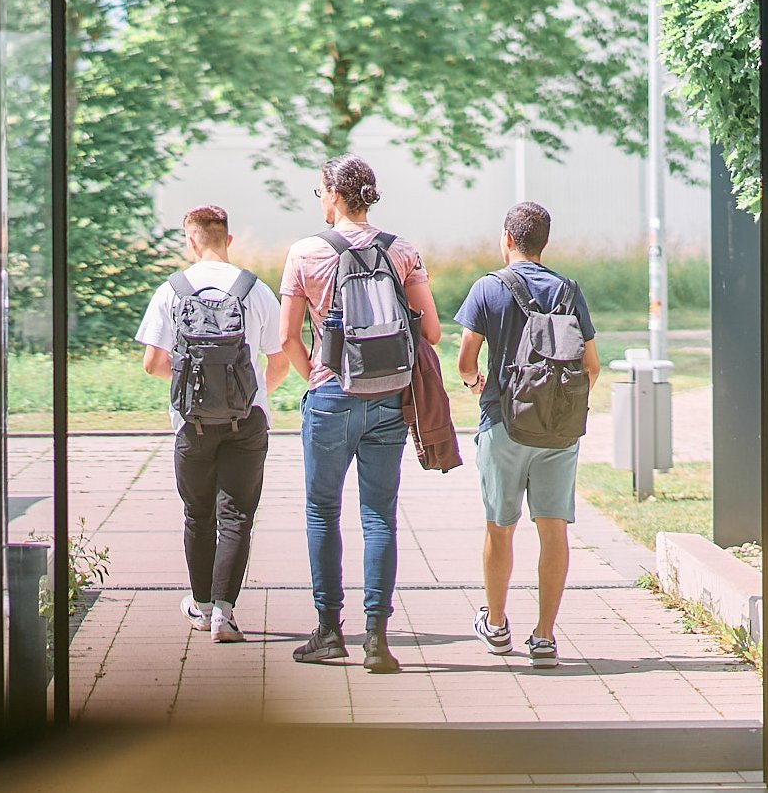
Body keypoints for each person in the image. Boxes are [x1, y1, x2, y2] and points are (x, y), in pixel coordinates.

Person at [278, 155, 442, 674]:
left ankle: (329, 631)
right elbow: (432, 332)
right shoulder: (402, 250)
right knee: (379, 515)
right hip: (390, 397)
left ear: (333, 194)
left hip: (331, 396)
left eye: (319, 191)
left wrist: (317, 378)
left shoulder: (305, 253)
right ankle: (377, 639)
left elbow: (286, 338)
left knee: (322, 510)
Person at [455, 202, 600, 668]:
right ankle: (544, 638)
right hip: (559, 432)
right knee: (553, 529)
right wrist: (558, 406)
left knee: (500, 527)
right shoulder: (568, 291)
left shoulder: (488, 288)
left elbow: (465, 362)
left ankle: (497, 626)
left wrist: (476, 385)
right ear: (545, 243)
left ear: (507, 238)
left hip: (504, 424)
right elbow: (591, 367)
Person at [135, 205, 289, 643]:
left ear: (191, 241)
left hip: (192, 424)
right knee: (236, 516)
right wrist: (249, 394)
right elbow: (279, 362)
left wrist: (194, 386)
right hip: (247, 422)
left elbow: (153, 363)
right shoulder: (254, 289)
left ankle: (200, 607)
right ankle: (224, 613)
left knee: (198, 515)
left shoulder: (172, 290)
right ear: (229, 240)